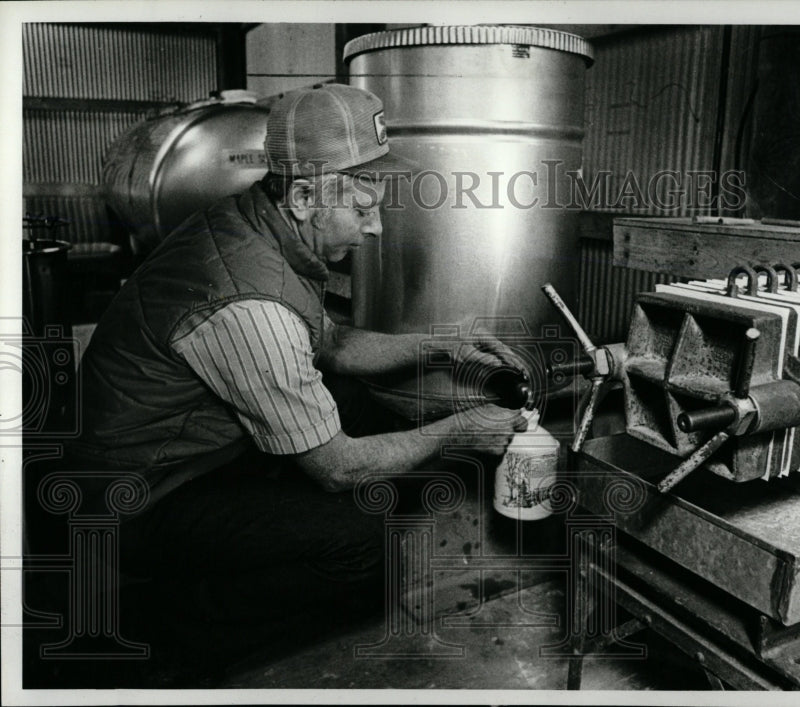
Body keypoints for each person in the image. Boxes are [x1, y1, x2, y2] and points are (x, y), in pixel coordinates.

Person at [63, 83, 527, 663]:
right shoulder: (251, 305)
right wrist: (460, 431)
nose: (376, 227)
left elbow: (332, 345)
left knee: (350, 399)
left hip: (176, 450)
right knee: (363, 547)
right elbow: (337, 467)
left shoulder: (253, 221)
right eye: (361, 209)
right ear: (305, 196)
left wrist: (446, 345)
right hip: (140, 499)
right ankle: (159, 629)